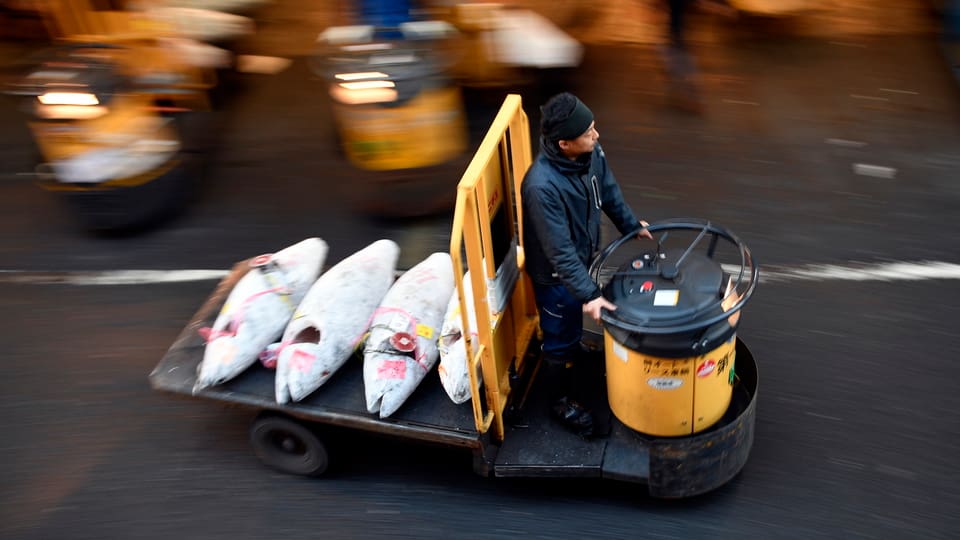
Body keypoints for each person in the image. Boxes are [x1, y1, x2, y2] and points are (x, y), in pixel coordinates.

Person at [521, 92, 652, 437]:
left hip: (580, 261)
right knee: (559, 337)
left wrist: (630, 225)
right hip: (556, 277)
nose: (596, 135)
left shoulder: (590, 155)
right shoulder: (541, 187)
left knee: (571, 326)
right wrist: (590, 295)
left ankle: (572, 346)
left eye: (593, 127)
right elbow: (559, 252)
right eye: (588, 132)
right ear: (564, 143)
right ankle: (558, 400)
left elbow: (609, 192)